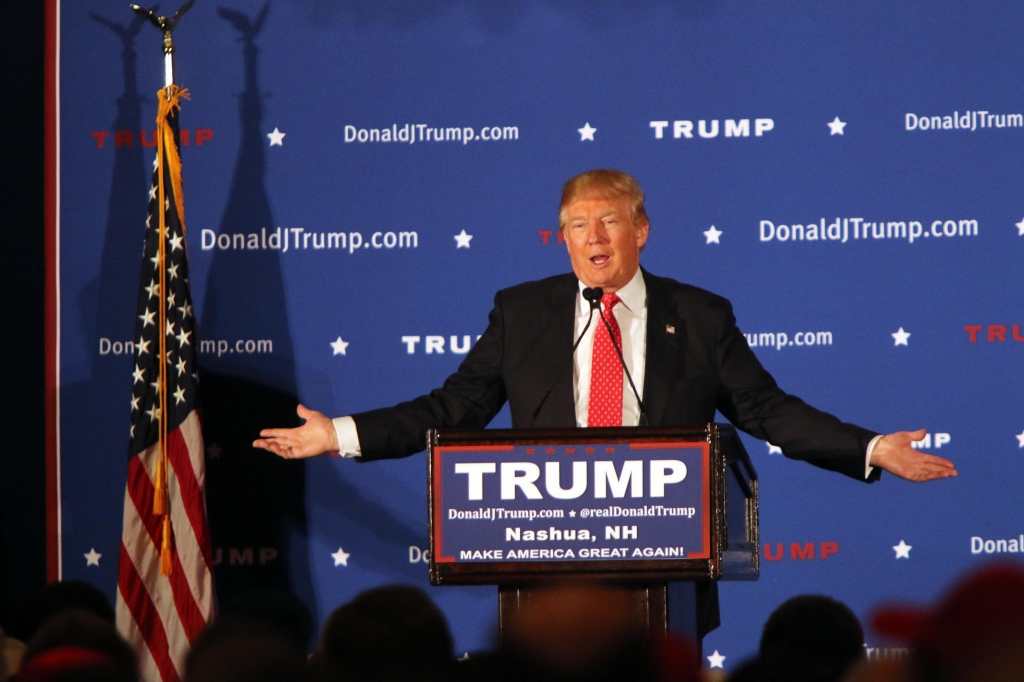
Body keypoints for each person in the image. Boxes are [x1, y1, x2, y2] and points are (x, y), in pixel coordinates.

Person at [254, 169, 955, 484]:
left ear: (641, 231)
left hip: (667, 544)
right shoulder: (522, 312)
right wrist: (338, 434)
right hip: (544, 542)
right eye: (577, 226)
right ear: (561, 239)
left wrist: (870, 449)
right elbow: (454, 409)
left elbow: (766, 411)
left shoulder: (700, 316)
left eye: (609, 221)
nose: (593, 238)